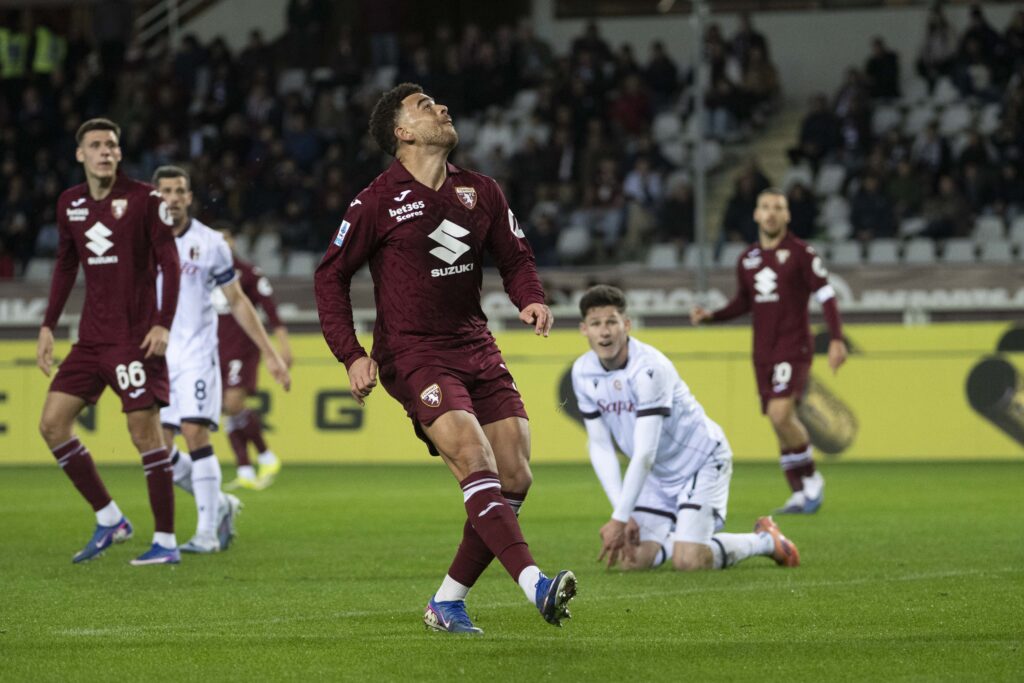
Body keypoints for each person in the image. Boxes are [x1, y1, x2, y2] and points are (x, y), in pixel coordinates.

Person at [314, 82, 576, 635]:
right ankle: (537, 585)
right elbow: (330, 276)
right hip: (413, 352)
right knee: (474, 457)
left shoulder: (482, 191)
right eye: (424, 106)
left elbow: (516, 257)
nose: (441, 108)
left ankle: (446, 601)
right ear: (403, 132)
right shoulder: (376, 202)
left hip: (476, 345)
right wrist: (351, 355)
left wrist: (530, 298)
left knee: (516, 474)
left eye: (438, 102)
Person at [37, 118, 182, 566]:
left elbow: (170, 264)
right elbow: (65, 267)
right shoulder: (70, 204)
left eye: (112, 145)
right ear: (80, 154)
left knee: (144, 435)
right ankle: (110, 517)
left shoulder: (144, 199)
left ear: (120, 154)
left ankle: (166, 543)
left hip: (134, 339)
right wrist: (47, 325)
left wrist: (162, 324)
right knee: (52, 424)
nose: (105, 151)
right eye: (96, 145)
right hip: (90, 341)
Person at [573, 285, 799, 571]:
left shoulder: (650, 369)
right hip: (657, 474)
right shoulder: (582, 372)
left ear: (626, 325)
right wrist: (622, 512)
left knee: (689, 562)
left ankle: (766, 540)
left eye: (611, 322)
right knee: (633, 561)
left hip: (700, 461)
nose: (604, 332)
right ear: (584, 330)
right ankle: (680, 538)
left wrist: (619, 518)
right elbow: (600, 445)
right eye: (596, 324)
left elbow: (644, 453)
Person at [152, 166, 291, 553]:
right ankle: (222, 505)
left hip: (198, 354)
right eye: (166, 191)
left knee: (195, 434)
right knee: (158, 449)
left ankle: (206, 533)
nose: (174, 197)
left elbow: (238, 301)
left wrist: (271, 354)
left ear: (189, 197)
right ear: (155, 196)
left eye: (180, 190)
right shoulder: (144, 239)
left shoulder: (210, 242)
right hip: (159, 358)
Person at [691, 189, 847, 514]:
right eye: (765, 207)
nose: (772, 213)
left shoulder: (802, 253)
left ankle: (812, 479)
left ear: (788, 215)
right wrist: (712, 317)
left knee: (780, 414)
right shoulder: (747, 259)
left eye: (778, 208)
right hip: (762, 350)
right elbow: (743, 303)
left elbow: (826, 294)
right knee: (778, 421)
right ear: (756, 215)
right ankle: (799, 492)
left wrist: (836, 338)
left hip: (794, 346)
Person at [213, 224, 292, 490]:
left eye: (226, 240)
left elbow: (271, 311)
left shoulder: (247, 274)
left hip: (242, 347)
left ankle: (267, 456)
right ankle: (245, 470)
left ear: (233, 242)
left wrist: (283, 347)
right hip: (214, 349)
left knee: (233, 403)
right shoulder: (204, 274)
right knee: (225, 408)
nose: (222, 245)